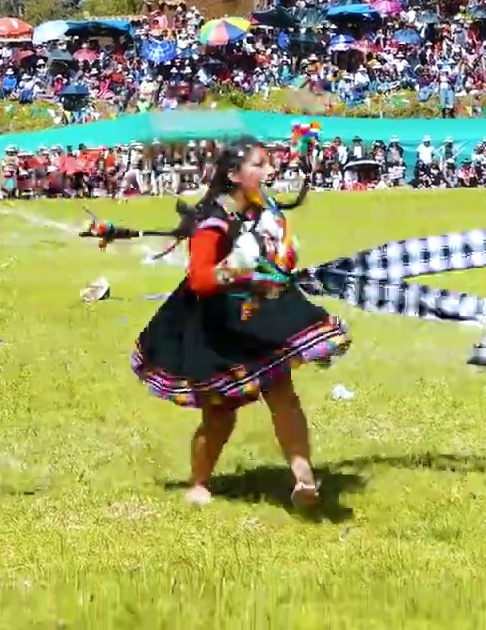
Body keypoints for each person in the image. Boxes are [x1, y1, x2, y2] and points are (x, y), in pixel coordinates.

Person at [84, 140, 351, 508]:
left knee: (283, 395)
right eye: (259, 165)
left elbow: (276, 255)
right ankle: (198, 483)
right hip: (217, 323)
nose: (269, 171)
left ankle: (304, 480)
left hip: (261, 313)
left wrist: (273, 268)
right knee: (220, 415)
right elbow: (200, 280)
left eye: (268, 164)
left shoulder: (265, 209)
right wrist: (240, 267)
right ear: (233, 174)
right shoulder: (214, 219)